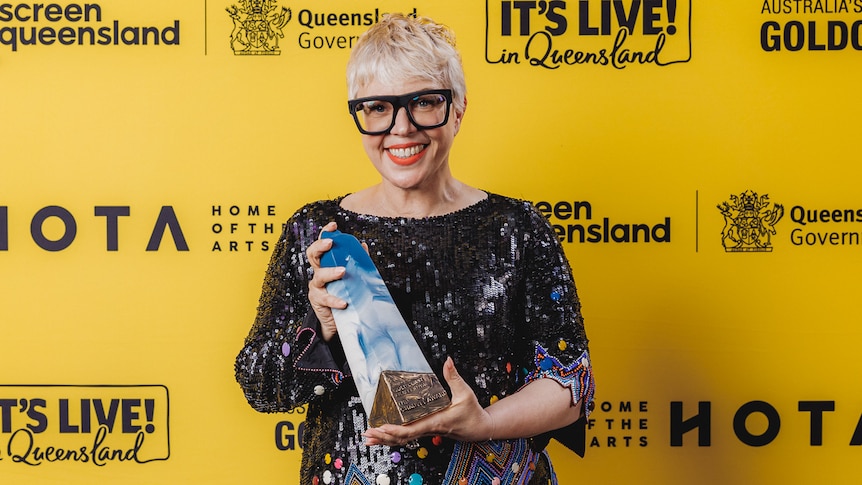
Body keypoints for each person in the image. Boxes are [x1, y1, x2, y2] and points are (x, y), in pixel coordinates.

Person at [235, 13, 595, 485]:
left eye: (424, 102)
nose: (401, 128)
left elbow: (570, 383)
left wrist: (482, 424)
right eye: (378, 108)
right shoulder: (316, 232)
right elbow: (260, 386)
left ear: (459, 108)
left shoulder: (518, 229)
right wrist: (319, 326)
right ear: (358, 113)